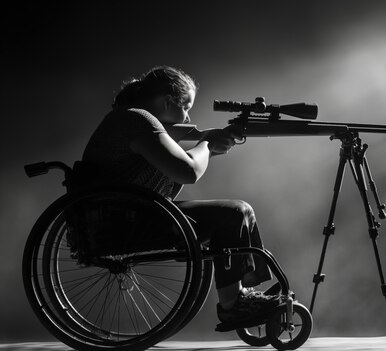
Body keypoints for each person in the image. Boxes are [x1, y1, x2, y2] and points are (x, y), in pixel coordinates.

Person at [82, 65, 279, 324]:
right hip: (128, 221)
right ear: (166, 101)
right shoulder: (137, 120)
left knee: (235, 212)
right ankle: (233, 304)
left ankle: (241, 294)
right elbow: (188, 171)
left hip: (122, 218)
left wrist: (207, 138)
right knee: (234, 212)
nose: (187, 117)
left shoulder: (126, 118)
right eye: (185, 106)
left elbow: (174, 138)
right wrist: (207, 145)